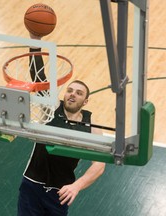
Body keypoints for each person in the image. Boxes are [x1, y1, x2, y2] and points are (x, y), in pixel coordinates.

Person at [17, 34, 106, 216]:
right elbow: (38, 77)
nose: (72, 94)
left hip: (60, 192)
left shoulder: (92, 126)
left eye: (79, 93)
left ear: (85, 101)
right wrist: (35, 40)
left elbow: (100, 164)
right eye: (70, 91)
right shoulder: (51, 109)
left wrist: (76, 186)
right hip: (32, 184)